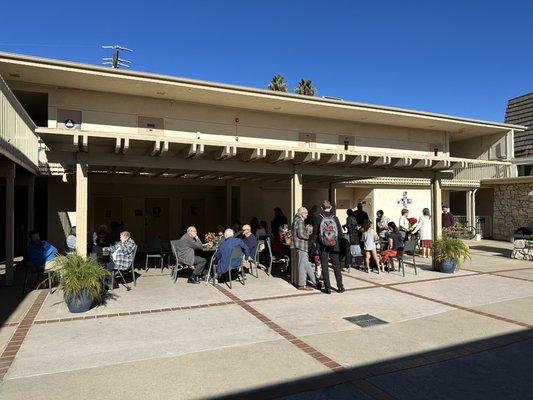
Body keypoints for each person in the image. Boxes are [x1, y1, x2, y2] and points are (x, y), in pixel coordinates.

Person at [314, 200, 344, 294]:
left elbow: (315, 232)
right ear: (330, 207)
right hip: (334, 245)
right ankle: (340, 286)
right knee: (336, 265)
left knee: (324, 266)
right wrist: (335, 241)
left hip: (323, 245)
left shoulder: (319, 217)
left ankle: (328, 288)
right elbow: (340, 234)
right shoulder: (335, 217)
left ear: (322, 208)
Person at [291, 207, 318, 291]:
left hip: (301, 246)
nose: (307, 214)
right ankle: (302, 285)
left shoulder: (296, 220)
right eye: (306, 213)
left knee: (307, 265)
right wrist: (309, 233)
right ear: (301, 213)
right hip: (301, 246)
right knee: (302, 266)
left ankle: (316, 282)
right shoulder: (299, 221)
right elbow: (301, 234)